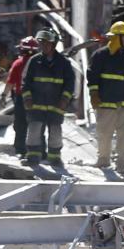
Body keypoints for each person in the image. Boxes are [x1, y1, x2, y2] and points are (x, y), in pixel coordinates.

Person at [86, 21, 124, 171]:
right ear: (116, 37)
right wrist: (94, 94)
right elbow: (92, 77)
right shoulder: (101, 55)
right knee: (104, 133)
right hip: (106, 102)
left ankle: (122, 164)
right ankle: (103, 160)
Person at [24, 28, 75, 167]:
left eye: (46, 43)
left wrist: (65, 99)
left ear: (53, 44)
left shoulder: (64, 63)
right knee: (34, 130)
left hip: (56, 104)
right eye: (41, 43)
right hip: (37, 104)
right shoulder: (34, 61)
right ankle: (33, 157)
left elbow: (70, 83)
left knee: (55, 132)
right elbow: (26, 81)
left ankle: (54, 158)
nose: (42, 46)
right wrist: (27, 98)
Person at [2, 36, 38, 158]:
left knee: (20, 124)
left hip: (21, 98)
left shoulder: (18, 63)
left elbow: (10, 82)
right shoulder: (41, 63)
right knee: (37, 124)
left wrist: (3, 96)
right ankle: (39, 151)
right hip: (38, 98)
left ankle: (21, 150)